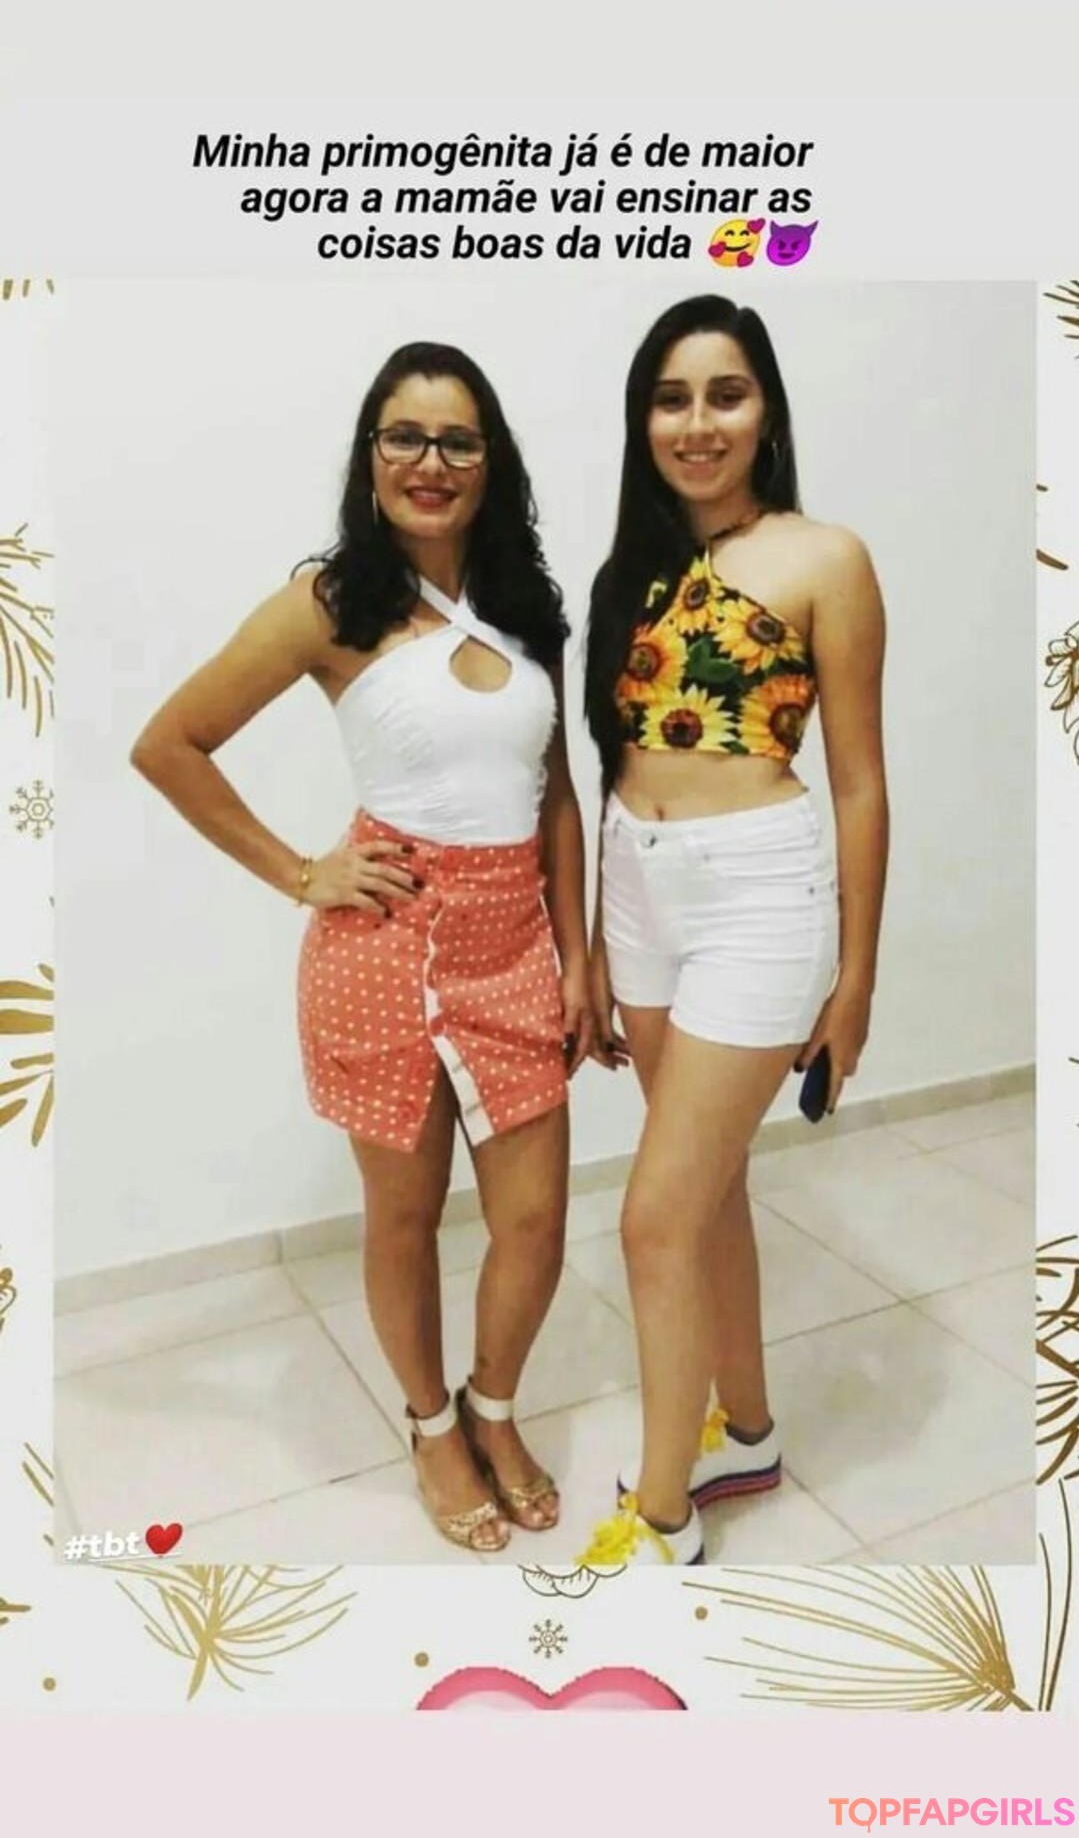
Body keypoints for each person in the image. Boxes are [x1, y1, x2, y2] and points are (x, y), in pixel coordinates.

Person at [131, 341, 592, 1555]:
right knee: (403, 1215)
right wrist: (302, 871)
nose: (430, 461)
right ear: (371, 454)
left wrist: (580, 955)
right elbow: (169, 742)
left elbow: (556, 793)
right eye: (405, 436)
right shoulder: (332, 603)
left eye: (458, 439)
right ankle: (433, 1424)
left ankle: (494, 1406)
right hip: (384, 944)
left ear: (491, 460)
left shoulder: (527, 603)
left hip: (514, 942)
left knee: (536, 1217)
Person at [577, 294, 888, 1566]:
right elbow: (611, 760)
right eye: (671, 398)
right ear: (642, 419)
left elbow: (860, 781)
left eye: (725, 393)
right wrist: (599, 935)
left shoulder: (825, 557)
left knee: (652, 1215)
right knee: (706, 1194)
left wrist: (857, 977)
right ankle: (746, 1429)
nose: (697, 423)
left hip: (758, 891)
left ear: (767, 411)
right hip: (638, 888)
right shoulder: (629, 572)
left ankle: (662, 1513)